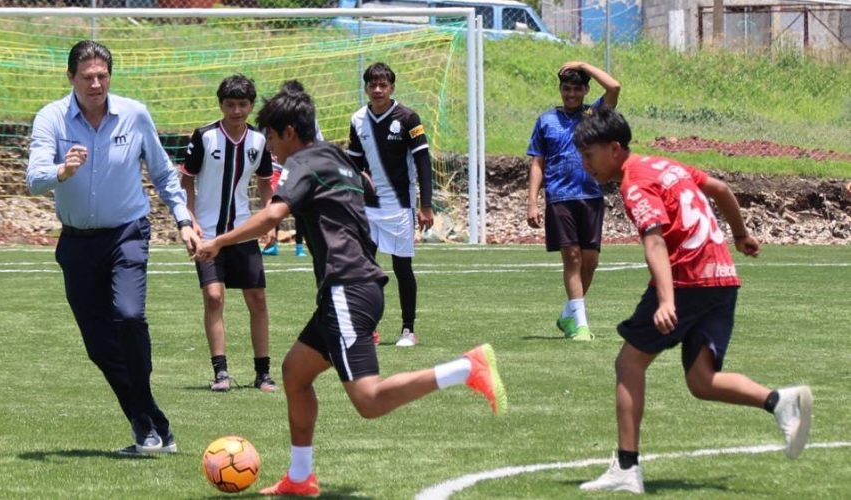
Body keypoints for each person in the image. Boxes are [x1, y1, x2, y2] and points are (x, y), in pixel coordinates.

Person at [193, 86, 507, 497]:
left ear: (288, 132)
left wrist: (219, 242)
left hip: (347, 288)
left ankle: (467, 368)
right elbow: (367, 192)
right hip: (353, 288)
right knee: (295, 373)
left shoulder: (302, 162)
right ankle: (301, 477)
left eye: (270, 137)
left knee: (369, 400)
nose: (268, 147)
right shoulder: (338, 157)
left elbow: (273, 213)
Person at [572, 107, 813, 494]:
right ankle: (779, 401)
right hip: (723, 278)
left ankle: (626, 468)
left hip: (688, 280)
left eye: (589, 155)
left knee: (629, 362)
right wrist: (739, 235)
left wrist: (666, 299)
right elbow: (719, 188)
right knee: (702, 380)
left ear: (615, 149)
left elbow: (654, 241)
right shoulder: (665, 165)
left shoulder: (635, 185)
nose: (586, 165)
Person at [26, 40, 200, 456]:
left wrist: (184, 219)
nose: (95, 83)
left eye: (102, 75)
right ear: (70, 78)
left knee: (127, 316)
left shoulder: (135, 114)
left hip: (127, 233)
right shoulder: (51, 118)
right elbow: (34, 179)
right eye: (86, 76)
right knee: (98, 345)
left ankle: (146, 423)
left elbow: (162, 172)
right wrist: (62, 171)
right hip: (77, 243)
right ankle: (150, 421)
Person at [180, 74, 278, 393]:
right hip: (207, 233)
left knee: (258, 299)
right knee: (213, 297)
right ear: (221, 105)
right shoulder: (204, 137)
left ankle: (263, 373)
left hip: (243, 232)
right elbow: (186, 181)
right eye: (230, 104)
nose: (236, 111)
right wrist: (190, 220)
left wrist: (269, 217)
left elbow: (265, 182)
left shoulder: (259, 140)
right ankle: (221, 372)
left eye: (243, 105)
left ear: (251, 106)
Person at [526, 61, 621, 341]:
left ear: (585, 90)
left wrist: (582, 65)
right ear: (560, 90)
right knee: (572, 257)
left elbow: (614, 87)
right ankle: (581, 325)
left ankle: (569, 314)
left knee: (590, 261)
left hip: (591, 195)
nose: (571, 94)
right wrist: (532, 201)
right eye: (566, 88)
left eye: (577, 89)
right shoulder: (546, 121)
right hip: (559, 197)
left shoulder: (593, 115)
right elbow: (537, 163)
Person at [346, 63, 433, 347]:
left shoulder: (408, 117)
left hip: (399, 205)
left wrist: (426, 205)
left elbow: (423, 162)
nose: (378, 90)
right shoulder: (358, 119)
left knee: (402, 267)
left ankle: (408, 329)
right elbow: (354, 164)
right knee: (365, 268)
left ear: (392, 87)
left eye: (383, 85)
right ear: (366, 88)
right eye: (373, 85)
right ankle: (367, 328)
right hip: (368, 207)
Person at [262, 80, 322, 258]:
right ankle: (272, 242)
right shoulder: (274, 118)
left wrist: (222, 240)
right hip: (277, 169)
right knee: (276, 202)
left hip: (299, 170)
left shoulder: (310, 123)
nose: (269, 146)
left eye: (272, 139)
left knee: (299, 211)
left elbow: (318, 142)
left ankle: (299, 245)